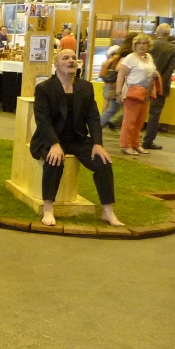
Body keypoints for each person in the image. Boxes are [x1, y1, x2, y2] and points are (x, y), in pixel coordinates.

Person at [30, 49, 122, 227]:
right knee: (54, 160)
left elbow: (93, 117)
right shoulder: (44, 88)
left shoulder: (85, 87)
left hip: (78, 139)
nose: (71, 61)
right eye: (65, 58)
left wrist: (97, 143)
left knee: (103, 163)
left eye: (73, 58)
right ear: (56, 64)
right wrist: (55, 144)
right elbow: (43, 120)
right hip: (50, 138)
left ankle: (107, 211)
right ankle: (48, 208)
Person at [116, 34, 159, 156]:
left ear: (149, 45)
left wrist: (154, 74)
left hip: (146, 93)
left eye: (144, 43)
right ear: (134, 45)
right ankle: (125, 145)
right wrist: (118, 92)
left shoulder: (149, 57)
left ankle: (136, 144)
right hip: (132, 93)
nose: (141, 45)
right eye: (139, 43)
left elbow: (150, 70)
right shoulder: (130, 58)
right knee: (129, 121)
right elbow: (120, 75)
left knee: (140, 121)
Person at [142, 23, 175, 150]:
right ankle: (148, 140)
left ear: (157, 33)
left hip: (143, 83)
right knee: (154, 114)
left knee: (138, 111)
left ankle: (132, 138)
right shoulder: (173, 49)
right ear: (169, 34)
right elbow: (170, 70)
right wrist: (160, 83)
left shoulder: (148, 45)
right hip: (161, 86)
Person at [99, 32, 137, 130]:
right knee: (129, 108)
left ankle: (98, 126)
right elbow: (119, 68)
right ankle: (115, 122)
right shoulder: (128, 52)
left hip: (114, 82)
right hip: (121, 84)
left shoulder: (121, 50)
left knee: (113, 108)